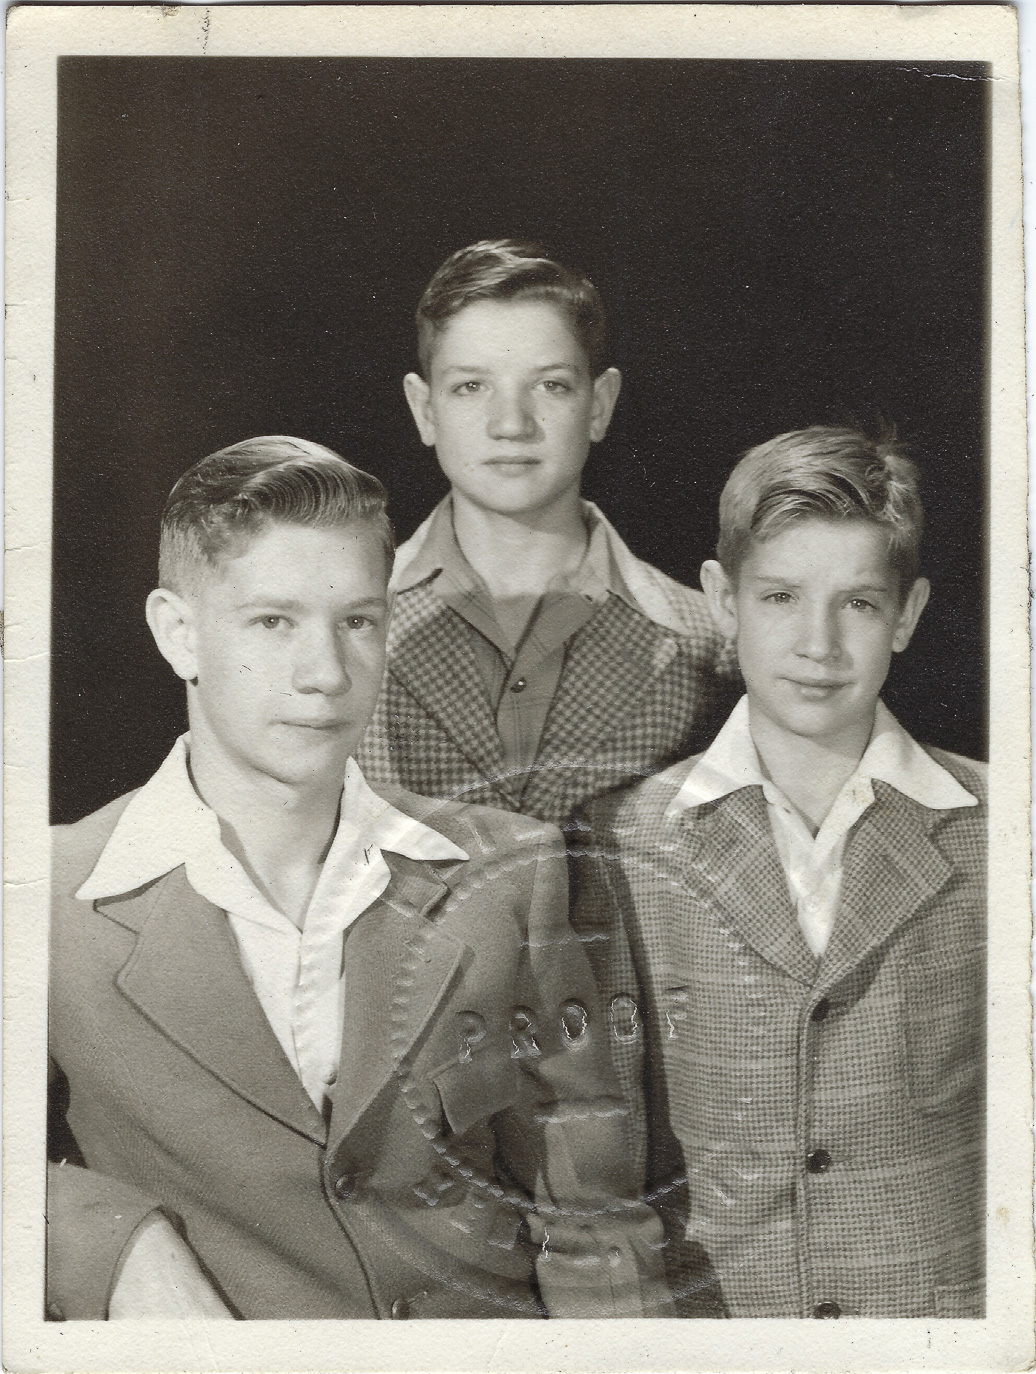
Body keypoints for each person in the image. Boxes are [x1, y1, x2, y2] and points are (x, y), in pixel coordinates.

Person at [47, 435, 673, 1321]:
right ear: (177, 632)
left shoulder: (510, 874)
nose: (326, 674)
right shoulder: (48, 896)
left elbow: (593, 1217)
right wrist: (114, 1244)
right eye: (274, 622)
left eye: (358, 622)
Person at [571, 427, 986, 1318]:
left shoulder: (1001, 828)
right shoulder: (621, 844)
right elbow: (594, 1157)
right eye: (781, 596)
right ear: (722, 600)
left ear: (908, 613)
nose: (818, 643)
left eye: (860, 605)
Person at [357, 239, 737, 826]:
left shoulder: (707, 644)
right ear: (424, 409)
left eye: (550, 385)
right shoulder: (352, 625)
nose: (511, 424)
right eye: (471, 386)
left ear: (599, 405)